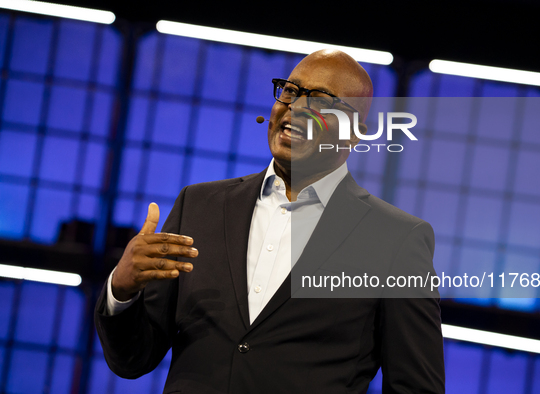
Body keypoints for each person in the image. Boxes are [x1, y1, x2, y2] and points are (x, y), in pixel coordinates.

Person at [95, 49, 445, 393]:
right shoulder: (199, 205)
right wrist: (122, 291)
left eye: (321, 100)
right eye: (290, 91)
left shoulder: (397, 240)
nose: (295, 107)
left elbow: (416, 386)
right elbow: (133, 359)